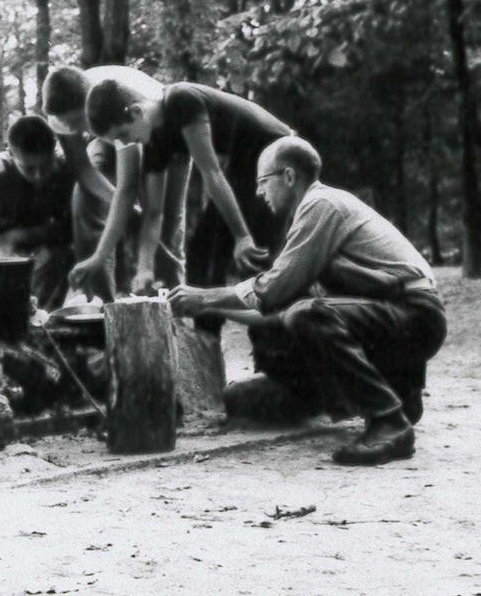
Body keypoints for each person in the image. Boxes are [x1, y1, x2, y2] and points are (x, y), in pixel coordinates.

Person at [168, 136, 447, 466]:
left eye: (263, 182)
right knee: (261, 372)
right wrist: (209, 306)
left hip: (415, 317)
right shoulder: (317, 220)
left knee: (306, 316)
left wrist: (205, 295)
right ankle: (397, 395)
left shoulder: (321, 206)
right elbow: (280, 307)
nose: (259, 192)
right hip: (401, 320)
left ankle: (389, 420)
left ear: (288, 177)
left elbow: (274, 289)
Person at [86, 76, 294, 296]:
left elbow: (211, 173)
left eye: (123, 135)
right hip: (243, 163)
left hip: (279, 154)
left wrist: (241, 236)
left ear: (136, 112)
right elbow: (153, 213)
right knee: (200, 253)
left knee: (256, 251)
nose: (126, 144)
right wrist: (144, 269)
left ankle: (271, 322)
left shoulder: (181, 100)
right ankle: (206, 328)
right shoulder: (154, 141)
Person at [42, 64, 188, 300]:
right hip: (110, 135)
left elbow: (129, 187)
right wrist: (126, 212)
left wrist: (136, 213)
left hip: (159, 134)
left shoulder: (115, 107)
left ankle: (172, 304)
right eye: (65, 123)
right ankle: (103, 305)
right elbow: (83, 169)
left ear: (89, 107)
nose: (71, 129)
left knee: (165, 224)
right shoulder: (61, 115)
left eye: (77, 121)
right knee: (84, 198)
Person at [0, 115, 76, 309]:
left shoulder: (66, 168)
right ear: (10, 153)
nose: (39, 176)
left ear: (55, 151)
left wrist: (29, 236)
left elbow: (73, 231)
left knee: (59, 259)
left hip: (39, 241)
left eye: (45, 166)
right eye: (29, 168)